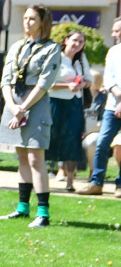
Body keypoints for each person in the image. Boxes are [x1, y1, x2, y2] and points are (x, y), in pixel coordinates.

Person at [0, 5, 62, 227]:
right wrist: (12, 106)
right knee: (22, 156)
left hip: (35, 104)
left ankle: (43, 213)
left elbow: (44, 83)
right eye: (25, 18)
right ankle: (22, 208)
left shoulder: (52, 48)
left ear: (43, 22)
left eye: (32, 18)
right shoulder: (17, 46)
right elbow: (5, 79)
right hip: (14, 102)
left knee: (36, 157)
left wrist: (23, 108)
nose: (27, 22)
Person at [79, 17, 121, 197]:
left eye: (117, 30)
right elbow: (109, 78)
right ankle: (96, 183)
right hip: (113, 106)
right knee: (102, 143)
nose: (113, 34)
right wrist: (119, 97)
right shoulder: (113, 52)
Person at [46, 30, 91, 192]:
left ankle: (70, 181)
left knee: (72, 141)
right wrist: (67, 86)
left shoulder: (81, 60)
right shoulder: (56, 57)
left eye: (81, 42)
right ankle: (42, 179)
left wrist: (82, 84)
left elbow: (89, 82)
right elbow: (46, 83)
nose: (77, 44)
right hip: (56, 103)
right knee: (51, 139)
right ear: (66, 40)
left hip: (74, 104)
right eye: (75, 40)